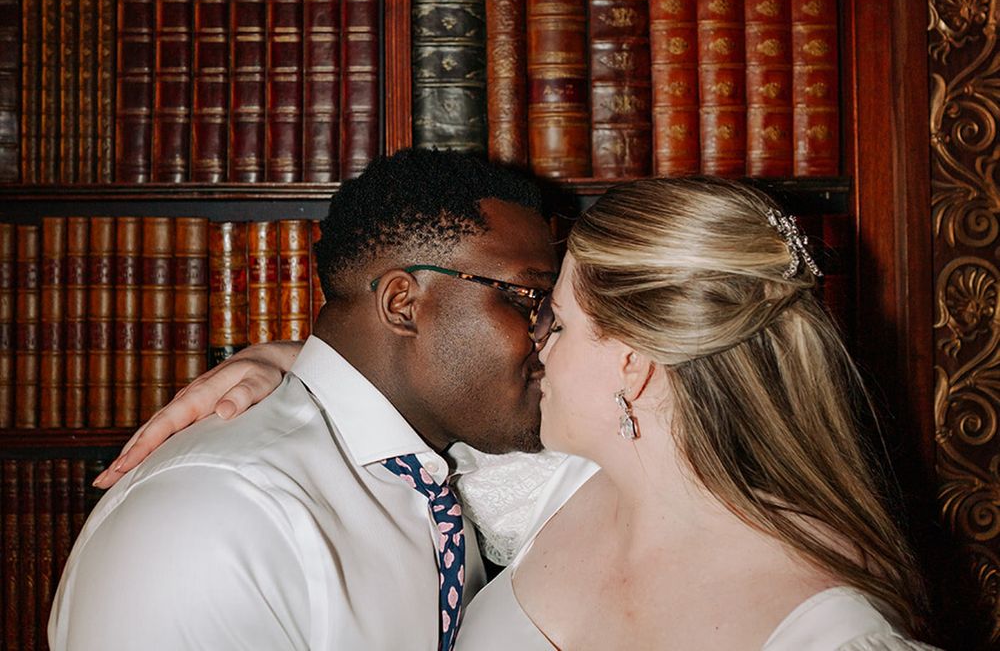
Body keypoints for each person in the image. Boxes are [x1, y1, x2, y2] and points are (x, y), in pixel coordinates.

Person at [91, 176, 941, 650]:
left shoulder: (834, 633)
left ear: (636, 363)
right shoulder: (545, 492)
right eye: (535, 309)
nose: (538, 345)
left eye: (556, 318)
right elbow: (381, 396)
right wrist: (285, 363)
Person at [49, 148, 562, 650]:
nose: (552, 337)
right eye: (529, 299)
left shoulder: (444, 476)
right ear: (402, 303)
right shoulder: (211, 514)